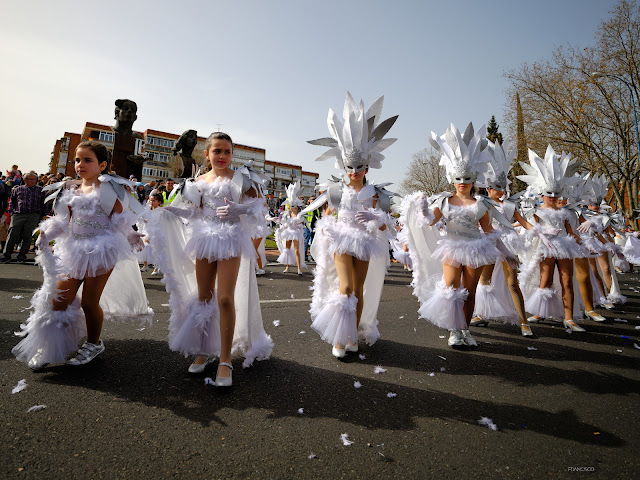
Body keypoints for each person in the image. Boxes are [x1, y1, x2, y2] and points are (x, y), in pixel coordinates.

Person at [12, 141, 151, 369]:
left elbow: (119, 220)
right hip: (73, 250)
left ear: (102, 165)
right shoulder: (70, 189)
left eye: (87, 160)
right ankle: (52, 345)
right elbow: (65, 223)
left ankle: (94, 343)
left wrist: (131, 235)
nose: (80, 164)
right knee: (60, 299)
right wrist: (46, 235)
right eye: (78, 160)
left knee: (89, 301)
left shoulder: (108, 189)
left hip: (101, 250)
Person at [148, 132, 272, 386]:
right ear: (206, 154)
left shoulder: (240, 179)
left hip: (231, 240)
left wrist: (241, 209)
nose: (223, 156)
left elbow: (262, 206)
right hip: (204, 239)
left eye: (227, 152)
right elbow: (194, 213)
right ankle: (205, 350)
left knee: (225, 297)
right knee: (204, 296)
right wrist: (171, 210)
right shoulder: (198, 181)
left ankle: (225, 359)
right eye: (217, 151)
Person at [304, 92, 397, 358]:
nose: (354, 171)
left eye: (359, 166)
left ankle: (352, 334)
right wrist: (327, 229)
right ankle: (340, 338)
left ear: (367, 167)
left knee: (358, 289)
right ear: (343, 166)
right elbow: (327, 217)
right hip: (342, 241)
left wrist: (376, 218)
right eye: (350, 166)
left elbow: (385, 227)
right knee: (344, 288)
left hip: (365, 243)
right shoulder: (335, 191)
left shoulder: (378, 194)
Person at [401, 123, 509, 348]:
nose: (462, 183)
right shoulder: (444, 201)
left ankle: (465, 330)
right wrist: (421, 209)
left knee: (469, 293)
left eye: (467, 179)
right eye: (459, 178)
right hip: (452, 247)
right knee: (451, 287)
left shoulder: (481, 204)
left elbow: (489, 231)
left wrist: (508, 253)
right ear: (453, 178)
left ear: (473, 180)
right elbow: (430, 221)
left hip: (475, 249)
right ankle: (453, 329)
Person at [516, 146, 588, 332]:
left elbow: (570, 231)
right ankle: (540, 311)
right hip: (546, 247)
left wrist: (586, 245)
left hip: (564, 246)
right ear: (542, 194)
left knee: (567, 281)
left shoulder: (563, 213)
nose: (553, 197)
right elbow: (532, 229)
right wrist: (543, 234)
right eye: (549, 194)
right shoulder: (537, 212)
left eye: (556, 194)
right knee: (545, 279)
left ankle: (569, 317)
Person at [471, 140, 536, 336]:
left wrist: (541, 230)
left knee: (512, 283)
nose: (500, 191)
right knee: (484, 281)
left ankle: (524, 322)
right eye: (495, 188)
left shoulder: (510, 206)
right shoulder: (482, 204)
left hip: (507, 243)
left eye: (502, 187)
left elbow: (524, 223)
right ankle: (482, 314)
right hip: (489, 243)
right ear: (488, 189)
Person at [1, 172, 45, 263]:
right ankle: (6, 255)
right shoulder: (18, 189)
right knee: (12, 234)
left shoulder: (41, 190)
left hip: (33, 215)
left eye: (34, 179)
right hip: (18, 215)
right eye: (30, 179)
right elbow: (12, 202)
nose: (33, 181)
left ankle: (22, 256)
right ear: (25, 180)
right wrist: (12, 212)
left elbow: (44, 204)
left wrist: (43, 215)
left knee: (28, 236)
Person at [276, 181, 307, 275]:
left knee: (297, 250)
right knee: (287, 250)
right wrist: (280, 229)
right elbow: (285, 225)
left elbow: (302, 225)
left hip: (296, 233)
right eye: (291, 206)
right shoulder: (287, 215)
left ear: (297, 207)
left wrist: (298, 222)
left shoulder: (300, 215)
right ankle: (288, 266)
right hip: (289, 232)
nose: (292, 208)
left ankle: (299, 269)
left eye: (294, 206)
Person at [138, 192, 163, 275]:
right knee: (144, 247)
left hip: (157, 232)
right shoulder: (147, 210)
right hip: (147, 231)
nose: (152, 202)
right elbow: (141, 218)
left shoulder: (161, 212)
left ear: (159, 202)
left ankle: (156, 267)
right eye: (151, 200)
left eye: (154, 201)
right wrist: (143, 220)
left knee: (156, 250)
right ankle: (145, 265)